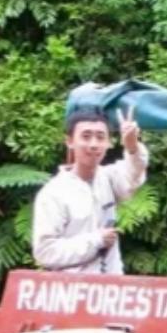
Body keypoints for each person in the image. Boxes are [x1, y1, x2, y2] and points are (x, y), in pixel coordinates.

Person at [32, 106, 149, 274]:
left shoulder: (109, 178)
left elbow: (134, 176)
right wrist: (96, 240)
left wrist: (132, 147)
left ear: (109, 143)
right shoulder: (53, 193)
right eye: (86, 136)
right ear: (70, 141)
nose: (94, 144)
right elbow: (45, 252)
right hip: (70, 291)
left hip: (111, 289)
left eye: (100, 137)